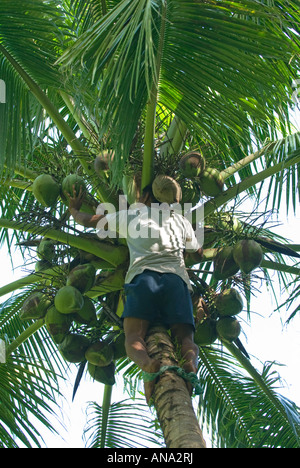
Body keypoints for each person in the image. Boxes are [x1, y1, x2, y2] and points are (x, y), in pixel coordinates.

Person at [67, 184, 203, 402]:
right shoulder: (180, 220)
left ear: (146, 196)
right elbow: (198, 252)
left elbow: (90, 221)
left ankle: (147, 364)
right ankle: (190, 365)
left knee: (133, 337)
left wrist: (74, 210)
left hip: (143, 280)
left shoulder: (131, 215)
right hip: (176, 283)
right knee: (186, 340)